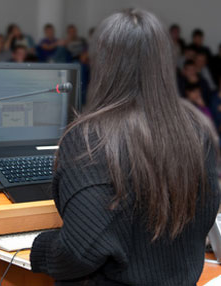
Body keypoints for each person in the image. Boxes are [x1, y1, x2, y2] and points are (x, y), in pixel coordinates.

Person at [30, 9, 220, 286]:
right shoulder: (196, 131)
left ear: (105, 64)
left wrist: (39, 248)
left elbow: (79, 251)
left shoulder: (89, 138)